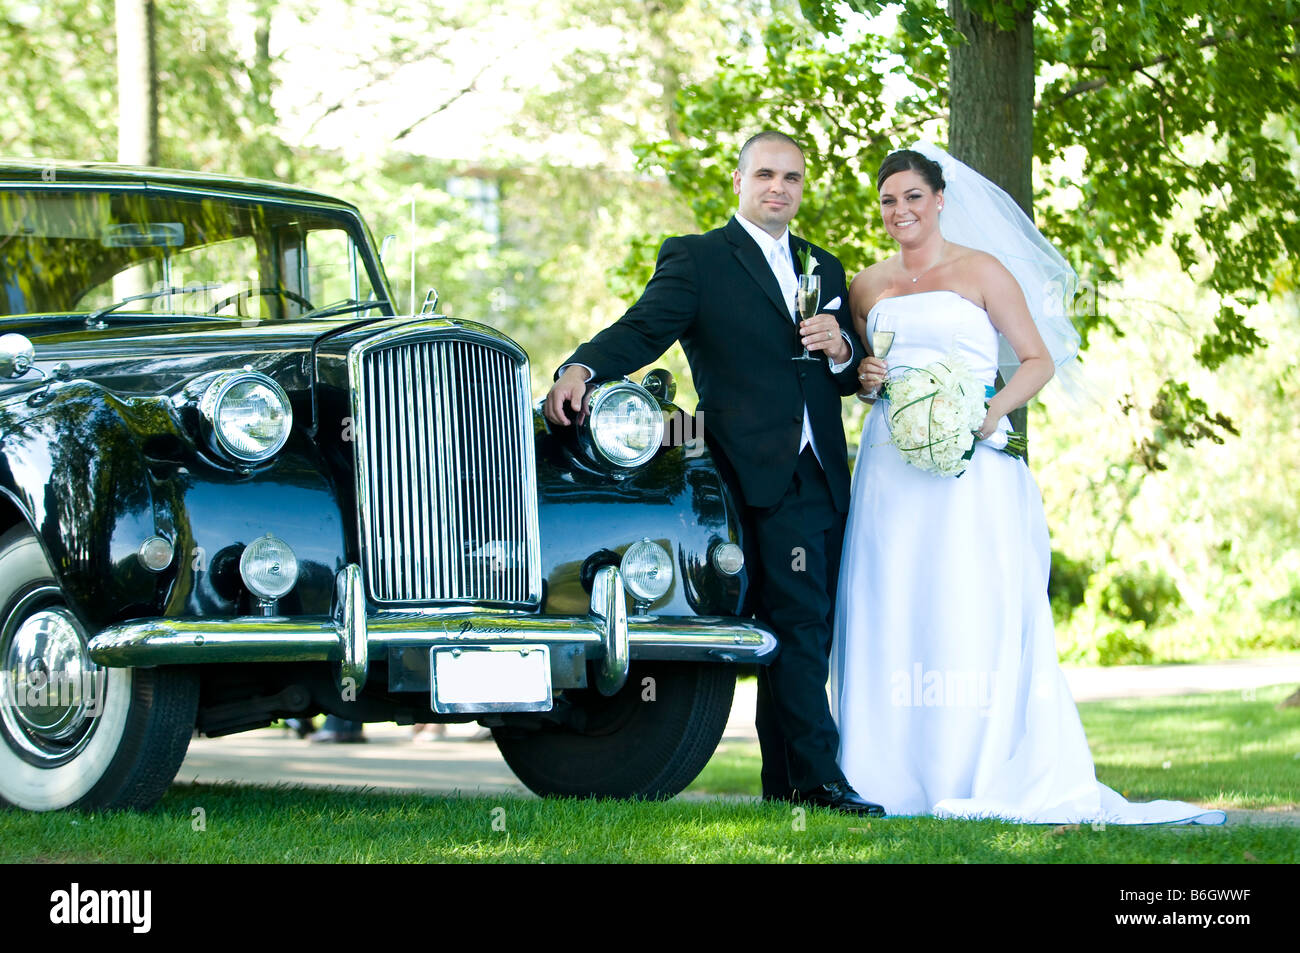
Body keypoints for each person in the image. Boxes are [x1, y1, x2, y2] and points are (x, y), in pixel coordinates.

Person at [831, 142, 1225, 824]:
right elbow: (870, 374)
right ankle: (884, 773)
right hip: (891, 470)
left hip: (971, 467)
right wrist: (866, 380)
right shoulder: (866, 287)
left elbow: (1038, 360)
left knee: (966, 604)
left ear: (940, 200)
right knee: (889, 600)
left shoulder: (983, 271)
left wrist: (987, 414)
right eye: (889, 200)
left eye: (913, 197)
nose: (901, 210)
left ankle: (975, 766)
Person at [544, 131, 883, 816]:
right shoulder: (699, 260)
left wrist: (842, 347)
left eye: (791, 178)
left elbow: (848, 379)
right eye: (765, 174)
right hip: (741, 475)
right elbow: (642, 330)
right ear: (739, 180)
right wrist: (580, 367)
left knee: (802, 628)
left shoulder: (825, 264)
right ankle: (815, 783)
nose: (778, 189)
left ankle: (792, 784)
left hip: (821, 475)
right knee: (785, 624)